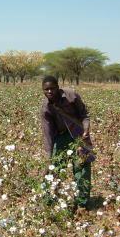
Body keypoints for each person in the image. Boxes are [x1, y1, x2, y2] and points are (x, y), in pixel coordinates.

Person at [40, 76, 95, 212]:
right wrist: (49, 156)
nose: (49, 92)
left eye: (52, 88)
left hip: (79, 133)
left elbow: (84, 114)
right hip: (61, 137)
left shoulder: (71, 95)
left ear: (58, 87)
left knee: (82, 168)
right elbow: (48, 133)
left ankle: (82, 204)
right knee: (55, 168)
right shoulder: (45, 108)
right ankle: (49, 201)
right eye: (46, 89)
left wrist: (86, 129)